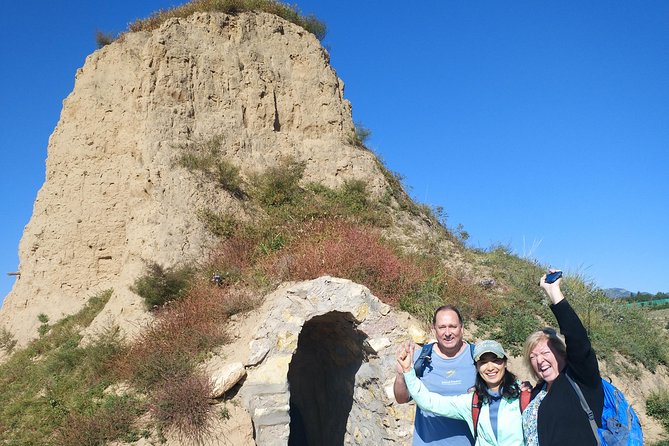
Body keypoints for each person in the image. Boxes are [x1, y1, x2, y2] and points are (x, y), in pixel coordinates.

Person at [521, 270, 604, 446]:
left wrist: (553, 292)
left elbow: (577, 338)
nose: (540, 360)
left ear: (562, 353)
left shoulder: (581, 379)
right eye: (533, 357)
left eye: (545, 353)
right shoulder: (539, 392)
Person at [397, 339, 527, 446]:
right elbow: (429, 402)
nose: (490, 367)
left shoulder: (524, 396)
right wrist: (408, 370)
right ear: (476, 367)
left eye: (496, 360)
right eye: (483, 362)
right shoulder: (473, 402)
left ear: (504, 363)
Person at [394, 305, 477, 445]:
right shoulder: (420, 358)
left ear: (462, 328)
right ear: (434, 329)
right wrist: (401, 375)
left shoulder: (476, 357)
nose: (448, 332)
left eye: (453, 326)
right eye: (442, 327)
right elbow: (402, 399)